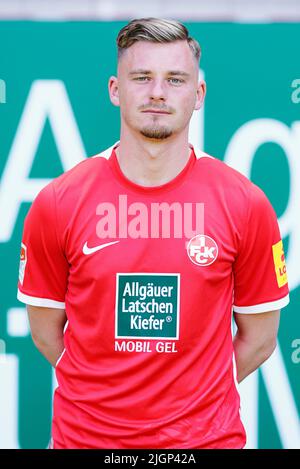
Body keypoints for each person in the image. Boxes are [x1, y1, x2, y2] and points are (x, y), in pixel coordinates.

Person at [17, 17, 290, 449]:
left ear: (198, 94)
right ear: (114, 89)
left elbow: (260, 339)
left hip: (204, 445)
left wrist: (191, 397)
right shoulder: (59, 202)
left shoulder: (245, 203)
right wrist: (110, 399)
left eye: (175, 79)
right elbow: (44, 330)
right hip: (87, 443)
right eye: (142, 77)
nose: (158, 92)